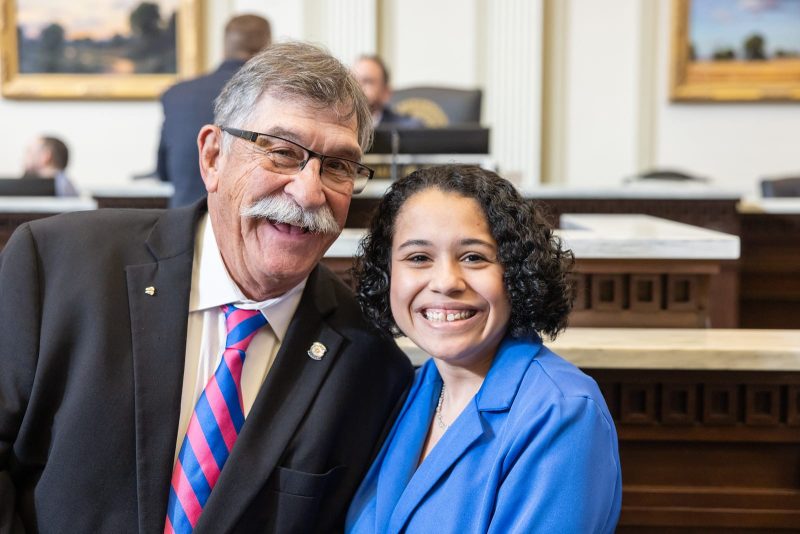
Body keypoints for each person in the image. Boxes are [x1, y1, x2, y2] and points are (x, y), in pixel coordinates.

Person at [0, 41, 414, 533]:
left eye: (339, 166)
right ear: (213, 156)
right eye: (281, 153)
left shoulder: (370, 364)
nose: (309, 191)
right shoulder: (54, 267)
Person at [345, 165, 622, 533]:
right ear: (388, 274)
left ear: (516, 272)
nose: (445, 282)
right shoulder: (412, 389)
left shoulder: (562, 412)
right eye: (418, 258)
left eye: (474, 257)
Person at [157, 14, 271, 208]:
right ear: (268, 47)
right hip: (245, 225)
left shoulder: (177, 94)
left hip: (184, 227)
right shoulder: (272, 95)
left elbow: (163, 172)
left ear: (225, 47)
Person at [351, 55, 424, 129]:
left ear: (386, 93)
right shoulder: (341, 125)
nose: (357, 87)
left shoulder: (408, 128)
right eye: (353, 80)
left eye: (367, 81)